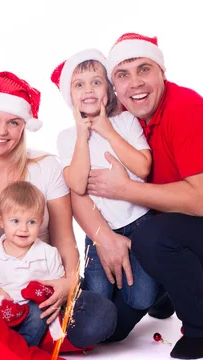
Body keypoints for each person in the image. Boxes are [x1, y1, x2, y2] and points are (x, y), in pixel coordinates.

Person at [78, 32, 203, 360]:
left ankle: (202, 325)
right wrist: (103, 236)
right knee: (109, 330)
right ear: (113, 86)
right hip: (162, 231)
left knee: (152, 236)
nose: (135, 84)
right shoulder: (123, 121)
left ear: (162, 72)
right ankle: (164, 294)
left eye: (144, 70)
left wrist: (125, 189)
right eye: (122, 75)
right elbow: (81, 189)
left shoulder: (188, 111)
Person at [0, 71, 116, 353]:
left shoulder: (46, 168)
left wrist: (67, 282)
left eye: (13, 122)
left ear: (24, 126)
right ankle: (24, 341)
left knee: (102, 315)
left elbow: (64, 238)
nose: (1, 131)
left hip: (37, 289)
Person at [51, 48, 159, 310]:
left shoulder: (125, 121)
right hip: (100, 230)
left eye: (96, 82)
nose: (88, 89)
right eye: (79, 84)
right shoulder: (67, 138)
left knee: (141, 298)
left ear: (109, 89)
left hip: (141, 222)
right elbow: (77, 185)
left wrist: (107, 131)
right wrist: (82, 136)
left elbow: (143, 167)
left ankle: (160, 288)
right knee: (97, 295)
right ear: (70, 96)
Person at [0, 181, 80, 351]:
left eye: (32, 222)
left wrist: (51, 296)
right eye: (15, 221)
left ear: (41, 222)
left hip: (38, 313)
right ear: (1, 221)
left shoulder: (48, 253)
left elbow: (58, 286)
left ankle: (20, 351)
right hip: (7, 313)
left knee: (38, 311)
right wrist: (5, 308)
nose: (24, 229)